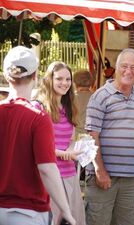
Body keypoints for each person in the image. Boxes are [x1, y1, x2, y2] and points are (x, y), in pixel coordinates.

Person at [0, 46, 75, 225]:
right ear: (35, 76)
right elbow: (47, 169)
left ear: (6, 76)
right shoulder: (38, 117)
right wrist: (66, 211)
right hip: (27, 212)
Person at [85, 48, 134, 225]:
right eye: (124, 66)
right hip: (105, 177)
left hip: (131, 178)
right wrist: (99, 170)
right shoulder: (100, 96)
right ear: (116, 68)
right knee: (98, 221)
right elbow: (91, 137)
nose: (129, 71)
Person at [34, 61, 85, 225]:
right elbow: (38, 145)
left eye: (68, 79)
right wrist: (64, 154)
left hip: (69, 175)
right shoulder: (39, 107)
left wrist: (74, 150)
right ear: (50, 79)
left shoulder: (69, 106)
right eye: (59, 79)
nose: (64, 83)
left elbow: (70, 140)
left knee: (74, 220)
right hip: (48, 178)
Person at [73, 69, 94, 138]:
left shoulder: (72, 97)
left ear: (75, 82)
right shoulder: (95, 97)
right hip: (91, 134)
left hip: (75, 134)